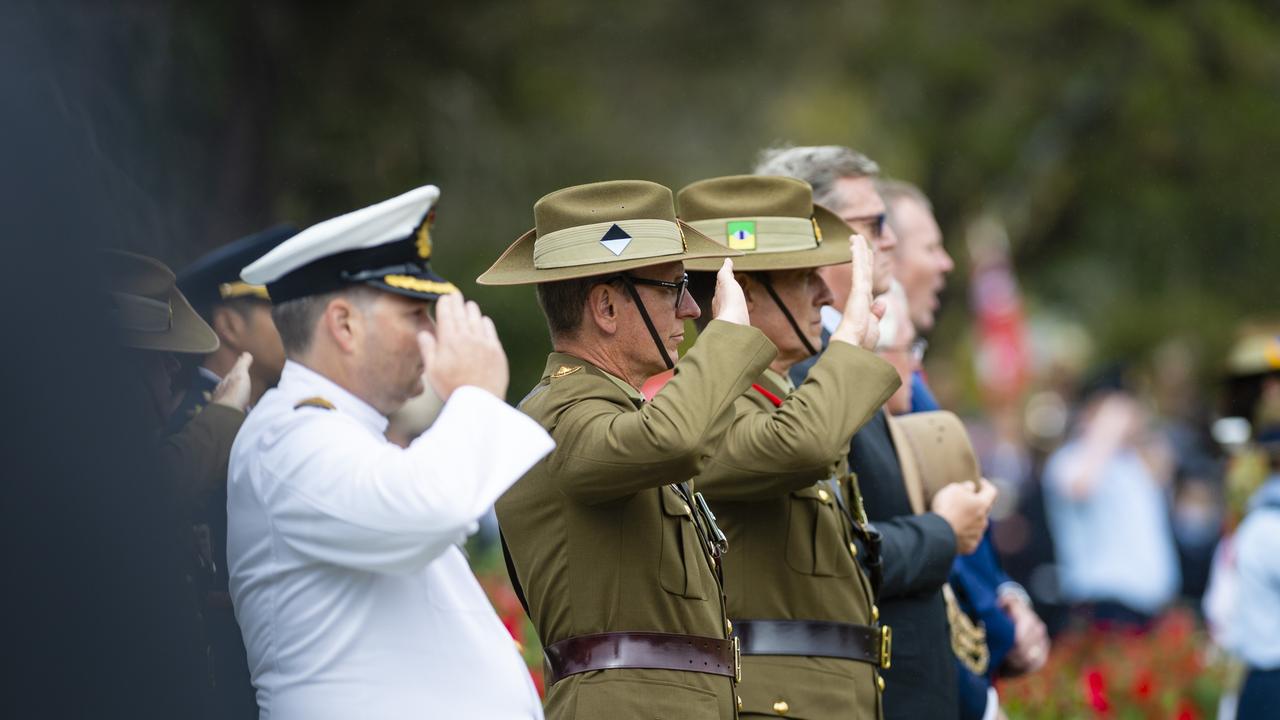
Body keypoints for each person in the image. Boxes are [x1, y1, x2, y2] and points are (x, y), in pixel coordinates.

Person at [227, 185, 555, 719]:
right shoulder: (286, 437)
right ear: (344, 325)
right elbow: (428, 508)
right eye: (415, 314)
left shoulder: (340, 435)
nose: (432, 334)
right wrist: (473, 394)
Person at [478, 179, 775, 719]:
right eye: (673, 287)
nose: (691, 308)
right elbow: (677, 438)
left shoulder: (617, 415)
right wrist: (728, 334)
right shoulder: (555, 415)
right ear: (608, 307)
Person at [758, 145, 996, 720]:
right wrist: (944, 528)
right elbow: (836, 558)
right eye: (874, 224)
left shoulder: (839, 363)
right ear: (812, 234)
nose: (889, 239)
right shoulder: (806, 373)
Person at [676, 175, 899, 718]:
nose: (825, 295)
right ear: (744, 294)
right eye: (805, 278)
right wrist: (848, 346)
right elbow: (805, 445)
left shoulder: (778, 398)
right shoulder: (704, 405)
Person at [880, 179, 1049, 720]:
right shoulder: (874, 384)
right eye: (930, 247)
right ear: (886, 251)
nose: (946, 264)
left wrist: (1008, 599)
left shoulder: (916, 382)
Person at [106, 248, 255, 717]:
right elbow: (151, 493)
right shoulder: (85, 448)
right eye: (157, 357)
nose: (175, 368)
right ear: (119, 369)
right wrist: (225, 414)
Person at [169, 224, 296, 718]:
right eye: (275, 307)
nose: (292, 319)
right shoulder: (196, 427)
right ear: (228, 323)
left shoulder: (264, 416)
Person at [1043, 371, 1181, 630]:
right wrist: (1106, 428)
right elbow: (1080, 486)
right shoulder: (1069, 459)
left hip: (1150, 607)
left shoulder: (1132, 461)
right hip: (1104, 604)